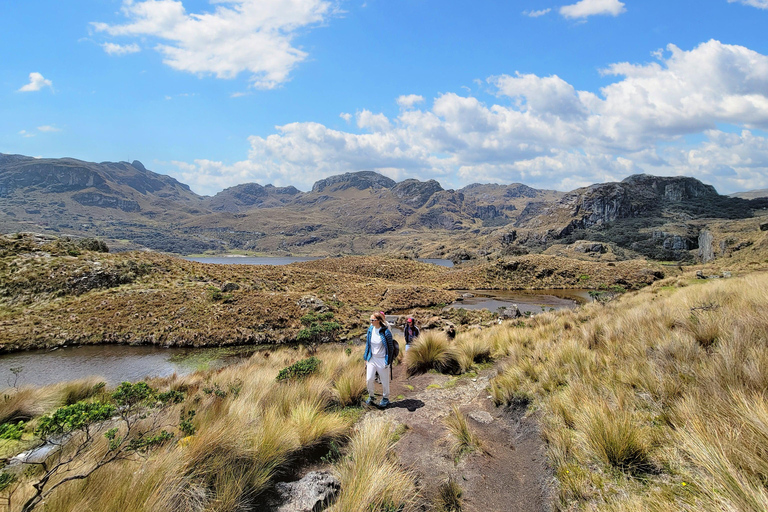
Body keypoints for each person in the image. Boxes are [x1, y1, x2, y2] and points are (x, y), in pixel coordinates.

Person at [364, 311, 395, 408]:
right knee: (369, 379)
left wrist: (388, 361)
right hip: (372, 359)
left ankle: (385, 398)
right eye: (370, 320)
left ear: (378, 321)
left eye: (373, 320)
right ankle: (371, 396)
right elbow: (368, 344)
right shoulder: (370, 329)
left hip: (382, 360)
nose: (371, 321)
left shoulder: (386, 332)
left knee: (384, 381)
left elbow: (391, 349)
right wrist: (366, 358)